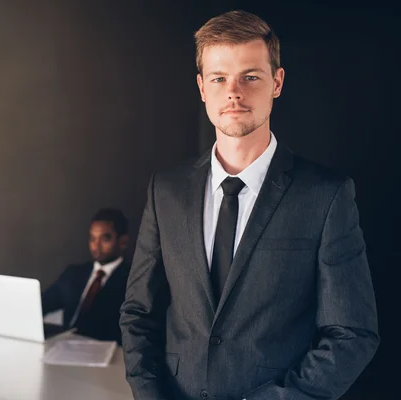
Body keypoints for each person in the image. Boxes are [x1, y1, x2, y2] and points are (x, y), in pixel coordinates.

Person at [120, 10, 379, 400]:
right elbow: (138, 314)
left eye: (250, 77)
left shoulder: (326, 195)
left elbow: (352, 334)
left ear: (276, 82)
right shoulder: (166, 190)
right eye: (219, 78)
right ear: (202, 88)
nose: (233, 92)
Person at [42, 208, 130, 344]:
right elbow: (45, 302)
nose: (96, 246)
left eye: (105, 239)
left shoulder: (132, 280)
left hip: (105, 350)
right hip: (66, 344)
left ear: (122, 241)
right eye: (92, 238)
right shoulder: (74, 273)